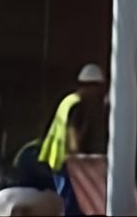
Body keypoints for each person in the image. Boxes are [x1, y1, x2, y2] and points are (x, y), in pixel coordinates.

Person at [15, 65, 105, 214]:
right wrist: (84, 159)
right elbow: (74, 137)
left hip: (57, 159)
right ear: (92, 87)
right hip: (62, 160)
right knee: (69, 201)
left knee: (67, 199)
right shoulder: (78, 104)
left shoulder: (71, 100)